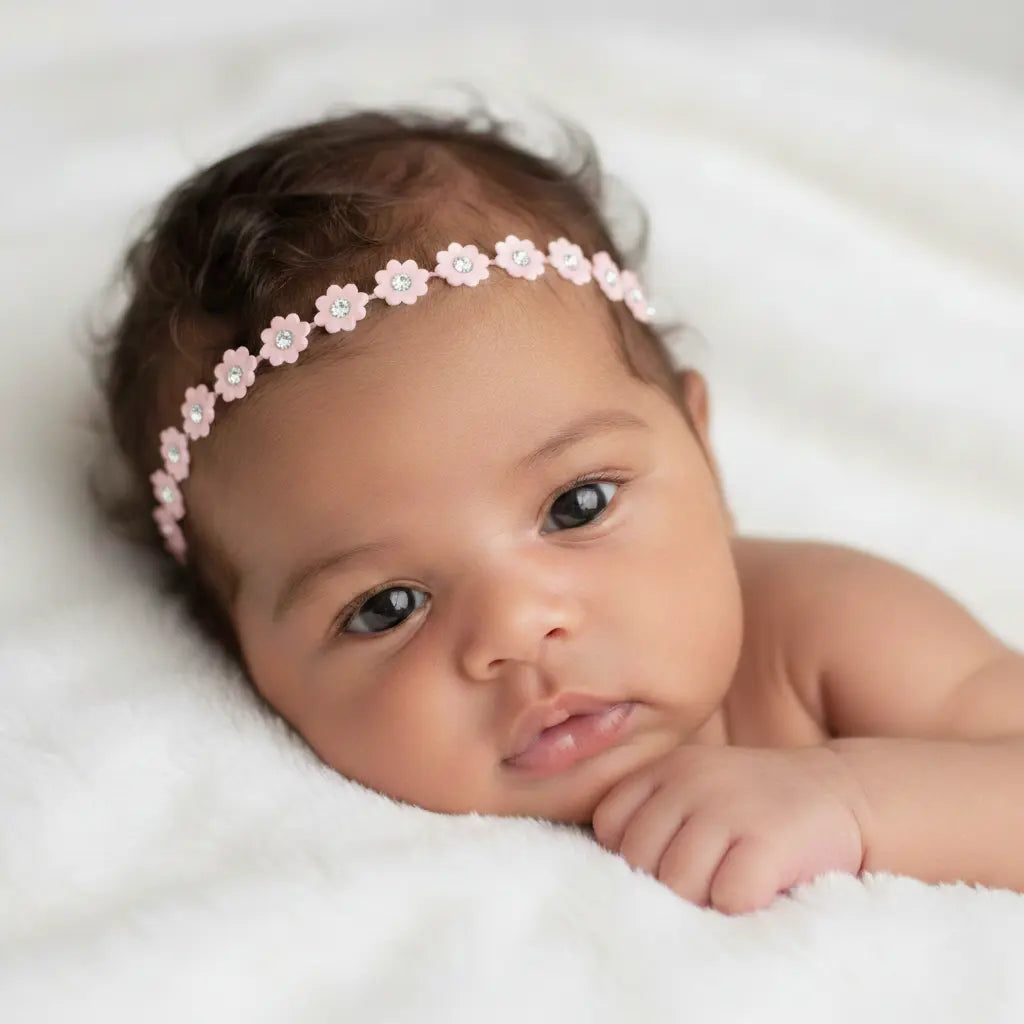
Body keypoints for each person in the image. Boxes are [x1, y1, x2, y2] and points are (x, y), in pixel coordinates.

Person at [89, 106, 1024, 915]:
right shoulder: (331, 873)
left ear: (702, 451)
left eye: (577, 506)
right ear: (247, 667)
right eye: (385, 607)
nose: (516, 627)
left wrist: (850, 801)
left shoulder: (823, 628)